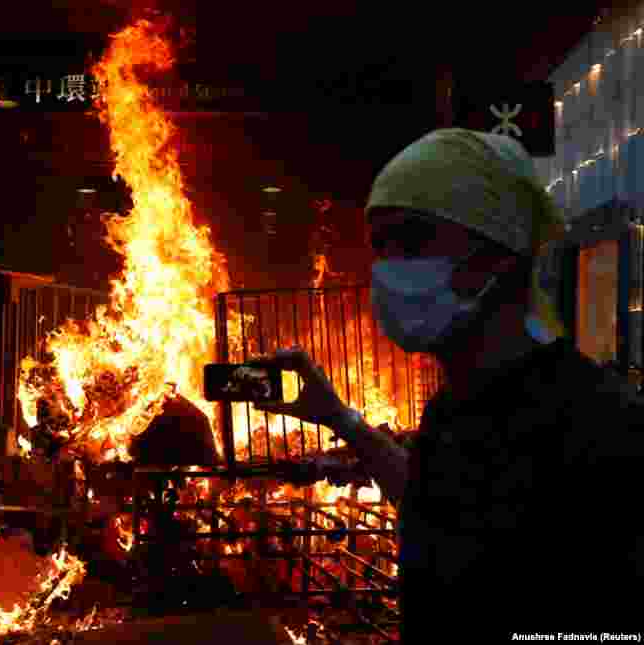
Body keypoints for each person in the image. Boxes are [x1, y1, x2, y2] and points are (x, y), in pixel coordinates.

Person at [252, 129, 644, 640]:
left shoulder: (598, 425)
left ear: (496, 255)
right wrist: (340, 418)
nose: (389, 267)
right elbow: (433, 509)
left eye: (410, 240)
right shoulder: (453, 410)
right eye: (381, 245)